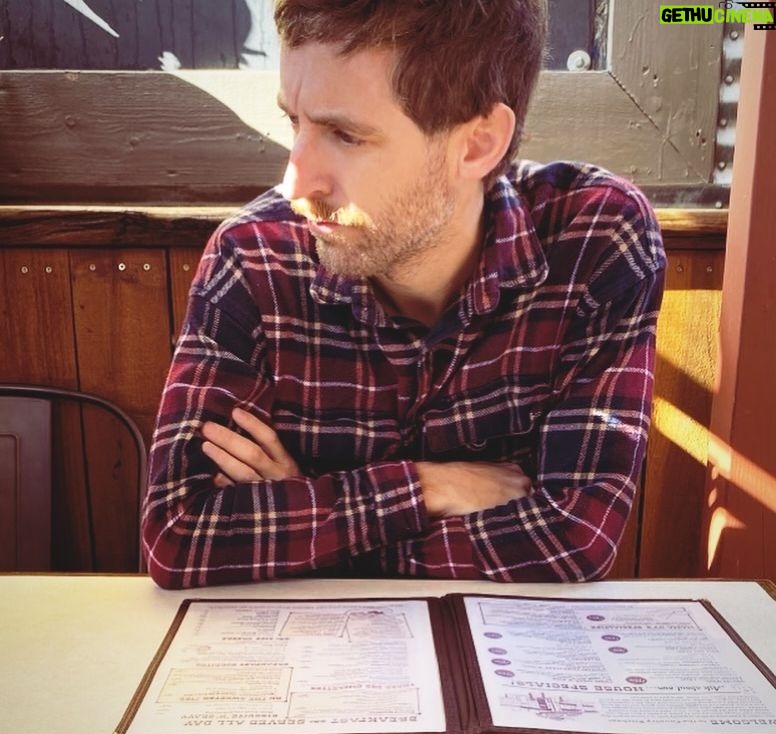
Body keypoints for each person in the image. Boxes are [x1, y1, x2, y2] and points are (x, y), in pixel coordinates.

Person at [142, 0, 666, 589]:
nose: (294, 183)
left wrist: (306, 516)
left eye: (346, 135)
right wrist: (426, 487)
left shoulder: (594, 238)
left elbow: (574, 540)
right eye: (294, 122)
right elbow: (178, 536)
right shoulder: (255, 256)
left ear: (477, 144)